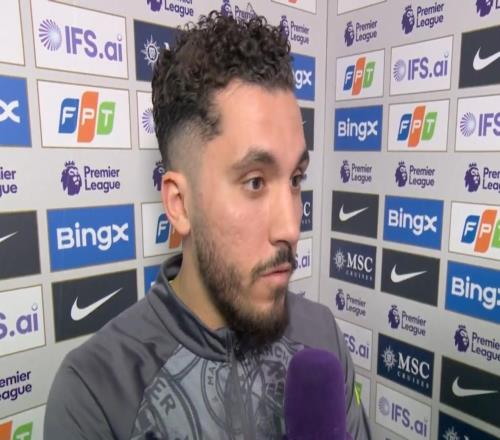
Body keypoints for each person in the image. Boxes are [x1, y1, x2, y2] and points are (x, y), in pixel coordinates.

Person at [44, 11, 371, 439]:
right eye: (255, 182)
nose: (291, 228)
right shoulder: (95, 394)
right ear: (179, 204)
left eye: (295, 179)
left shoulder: (321, 335)